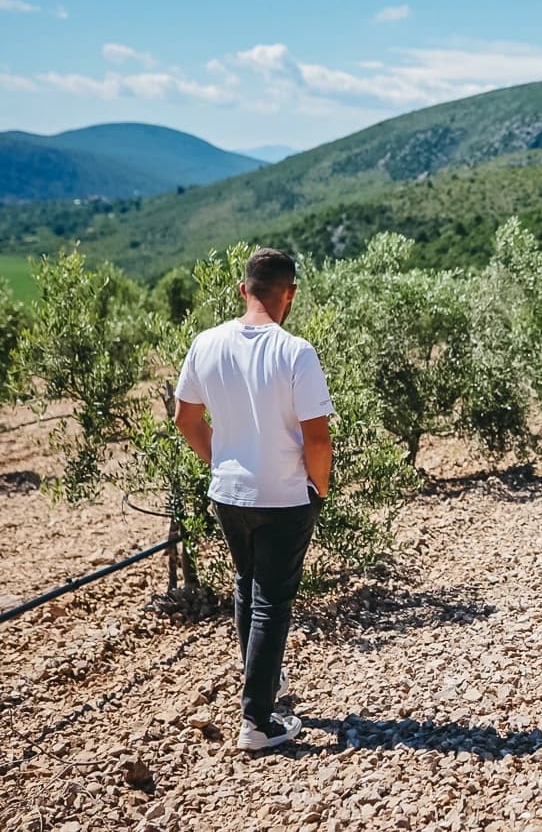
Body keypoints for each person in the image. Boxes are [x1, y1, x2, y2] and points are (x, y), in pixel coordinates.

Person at [174, 247, 334, 750]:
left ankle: (264, 683)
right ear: (290, 293)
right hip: (284, 494)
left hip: (229, 492)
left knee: (247, 585)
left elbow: (185, 419)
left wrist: (217, 460)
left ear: (244, 289)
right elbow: (317, 438)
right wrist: (319, 488)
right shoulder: (296, 352)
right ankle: (258, 723)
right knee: (272, 602)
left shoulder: (206, 342)